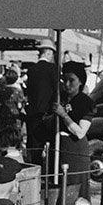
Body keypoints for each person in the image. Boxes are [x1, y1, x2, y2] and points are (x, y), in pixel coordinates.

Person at [53, 60, 94, 203]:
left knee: (76, 190)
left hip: (75, 151)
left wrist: (63, 115)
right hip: (60, 148)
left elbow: (80, 132)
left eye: (71, 80)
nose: (67, 84)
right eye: (65, 80)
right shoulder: (60, 98)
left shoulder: (86, 102)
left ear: (80, 82)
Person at [24, 37, 59, 166]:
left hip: (33, 114)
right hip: (48, 114)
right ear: (49, 53)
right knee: (52, 145)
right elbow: (56, 91)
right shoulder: (52, 69)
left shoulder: (32, 70)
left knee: (35, 148)